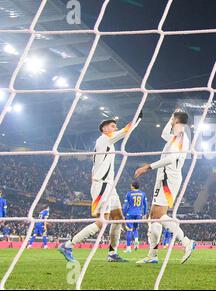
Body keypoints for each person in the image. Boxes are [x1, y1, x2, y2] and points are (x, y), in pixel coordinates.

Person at [58, 112, 142, 262]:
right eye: (112, 126)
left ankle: (112, 254)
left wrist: (127, 228)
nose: (115, 128)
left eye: (115, 126)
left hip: (110, 186)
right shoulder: (104, 139)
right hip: (102, 185)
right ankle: (68, 245)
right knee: (102, 222)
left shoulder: (107, 144)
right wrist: (138, 119)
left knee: (117, 218)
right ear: (104, 129)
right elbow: (126, 130)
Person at [135, 110, 195, 264]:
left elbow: (171, 158)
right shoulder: (174, 136)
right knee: (153, 216)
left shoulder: (181, 136)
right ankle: (152, 255)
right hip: (162, 177)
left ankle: (186, 241)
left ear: (176, 120)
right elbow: (163, 134)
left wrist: (147, 167)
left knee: (159, 215)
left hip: (169, 179)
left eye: (172, 119)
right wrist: (171, 116)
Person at [123, 181, 148, 253]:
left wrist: (124, 214)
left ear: (133, 186)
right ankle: (136, 240)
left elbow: (125, 205)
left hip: (130, 214)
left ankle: (128, 248)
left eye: (131, 185)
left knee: (129, 230)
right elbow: (145, 205)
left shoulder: (129, 194)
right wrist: (144, 214)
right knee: (135, 228)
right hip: (139, 214)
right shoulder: (143, 194)